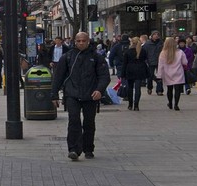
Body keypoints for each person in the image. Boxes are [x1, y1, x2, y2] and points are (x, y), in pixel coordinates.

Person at [51, 32, 109, 160]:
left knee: (89, 122)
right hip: (72, 94)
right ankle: (74, 149)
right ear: (74, 42)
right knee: (74, 121)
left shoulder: (96, 57)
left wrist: (99, 90)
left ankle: (88, 148)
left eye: (84, 41)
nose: (81, 43)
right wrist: (54, 95)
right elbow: (58, 77)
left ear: (88, 41)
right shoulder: (67, 57)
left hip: (90, 94)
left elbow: (104, 76)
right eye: (78, 41)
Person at [156, 36, 188, 110]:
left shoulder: (163, 53)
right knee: (177, 89)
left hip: (167, 73)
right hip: (178, 72)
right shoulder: (180, 52)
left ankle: (170, 103)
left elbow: (160, 65)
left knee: (169, 89)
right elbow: (185, 62)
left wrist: (159, 76)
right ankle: (176, 104)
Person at [122, 36, 149, 111]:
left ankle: (130, 104)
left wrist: (123, 74)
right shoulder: (142, 51)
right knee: (138, 88)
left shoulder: (128, 51)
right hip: (140, 70)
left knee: (130, 88)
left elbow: (124, 63)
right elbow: (145, 59)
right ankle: (136, 105)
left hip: (130, 70)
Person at [142, 31, 164, 96]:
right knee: (150, 76)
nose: (156, 36)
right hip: (150, 62)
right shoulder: (147, 44)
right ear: (152, 36)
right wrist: (146, 61)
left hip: (159, 61)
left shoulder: (161, 43)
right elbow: (144, 53)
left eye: (157, 34)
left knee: (160, 76)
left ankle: (159, 90)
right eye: (155, 34)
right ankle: (149, 87)